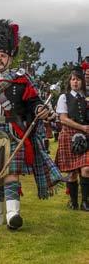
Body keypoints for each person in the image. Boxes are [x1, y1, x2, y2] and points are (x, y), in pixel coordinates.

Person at [0, 19, 62, 230]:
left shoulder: (21, 79)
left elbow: (33, 101)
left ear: (10, 58)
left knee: (11, 174)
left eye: (3, 55)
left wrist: (39, 110)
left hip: (13, 131)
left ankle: (13, 215)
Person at [55, 68, 89, 211]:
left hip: (86, 136)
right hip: (69, 135)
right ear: (69, 82)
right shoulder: (64, 97)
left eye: (78, 79)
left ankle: (85, 202)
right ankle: (74, 202)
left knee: (86, 168)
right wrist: (81, 127)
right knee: (73, 172)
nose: (75, 82)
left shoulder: (87, 98)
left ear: (82, 81)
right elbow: (63, 118)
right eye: (73, 79)